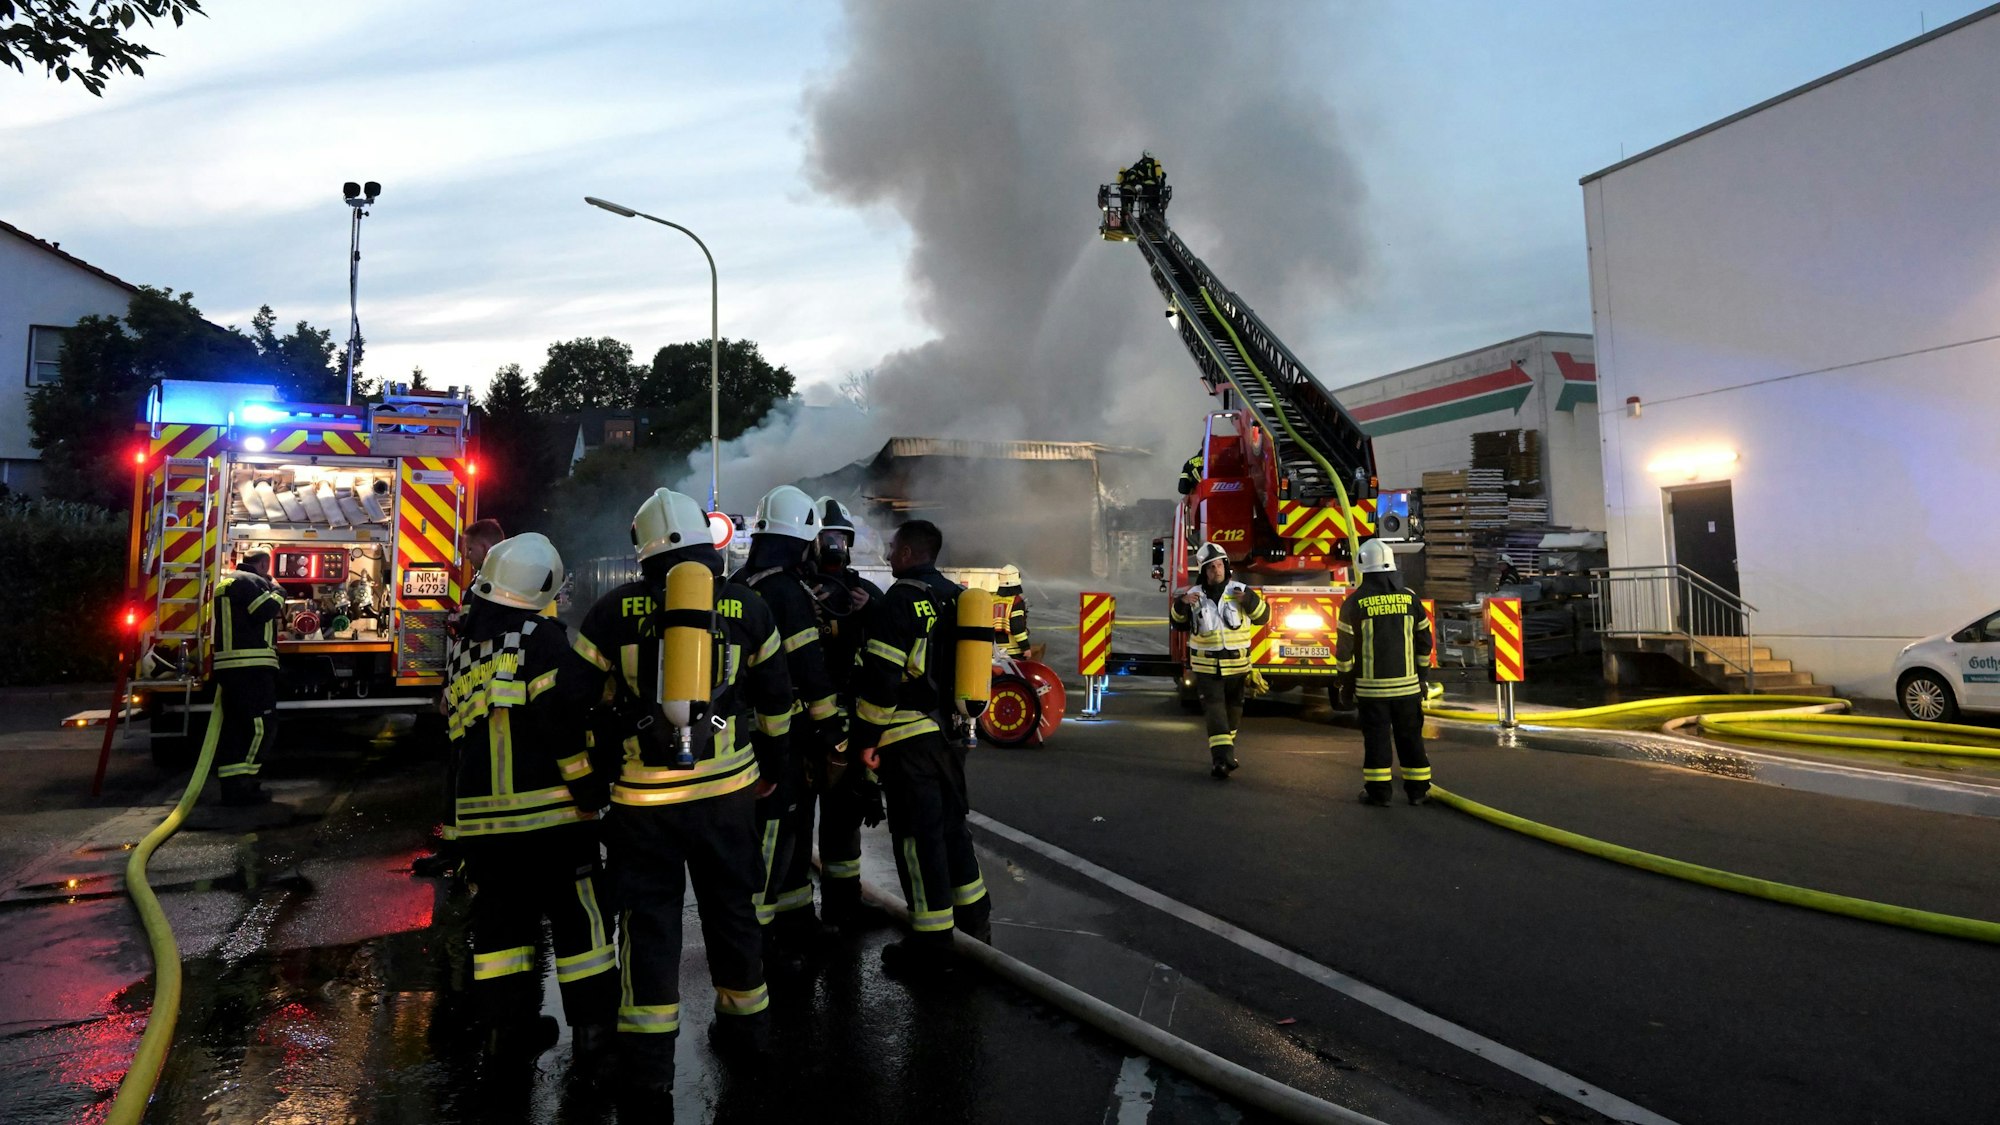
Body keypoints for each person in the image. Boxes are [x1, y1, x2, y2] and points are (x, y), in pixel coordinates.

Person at [569, 488, 794, 1110]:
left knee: (649, 926)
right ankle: (747, 1035)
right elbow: (777, 701)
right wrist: (774, 771)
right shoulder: (748, 606)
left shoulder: (611, 611)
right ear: (706, 541)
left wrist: (590, 775)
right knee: (734, 911)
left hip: (643, 801)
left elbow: (574, 701)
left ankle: (649, 1068)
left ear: (643, 549)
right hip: (728, 792)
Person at [442, 533, 616, 1065]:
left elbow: (454, 741)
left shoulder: (464, 650)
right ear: (542, 588)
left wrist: (455, 829)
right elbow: (562, 721)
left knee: (501, 930)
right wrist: (588, 788)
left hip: (484, 827)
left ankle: (506, 1035)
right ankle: (594, 1037)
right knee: (580, 922)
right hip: (553, 817)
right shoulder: (543, 639)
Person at [853, 520, 992, 978]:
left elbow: (882, 680)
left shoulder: (899, 601)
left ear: (910, 552)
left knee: (917, 839)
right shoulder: (954, 597)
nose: (889, 554)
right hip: (951, 736)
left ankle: (930, 945)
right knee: (952, 830)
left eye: (893, 547)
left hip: (907, 740)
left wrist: (867, 741)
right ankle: (975, 925)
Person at [736, 485, 845, 971]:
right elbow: (808, 667)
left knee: (793, 829)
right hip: (784, 733)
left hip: (741, 732)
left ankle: (797, 919)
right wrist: (831, 731)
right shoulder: (786, 591)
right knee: (775, 834)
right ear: (802, 541)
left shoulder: (739, 582)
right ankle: (759, 944)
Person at [413, 516, 511, 878]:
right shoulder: (493, 581)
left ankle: (458, 853)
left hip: (476, 694)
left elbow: (470, 639)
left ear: (484, 547)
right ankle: (457, 850)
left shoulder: (490, 584)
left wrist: (450, 685)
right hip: (474, 691)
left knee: (464, 771)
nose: (466, 556)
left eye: (469, 549)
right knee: (461, 770)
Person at [810, 497, 886, 931]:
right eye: (826, 537)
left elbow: (890, 643)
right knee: (795, 820)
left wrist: (869, 611)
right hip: (802, 725)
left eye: (840, 538)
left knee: (843, 818)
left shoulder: (864, 593)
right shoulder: (792, 590)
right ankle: (793, 915)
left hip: (848, 723)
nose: (834, 546)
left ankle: (843, 906)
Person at [1336, 539, 1434, 807]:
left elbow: (1344, 653)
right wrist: (1422, 677)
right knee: (1411, 739)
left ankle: (1379, 793)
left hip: (1372, 691)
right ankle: (1418, 791)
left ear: (1362, 566)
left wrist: (1346, 685)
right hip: (1408, 689)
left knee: (1377, 741)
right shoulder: (1410, 599)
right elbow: (1424, 643)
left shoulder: (1354, 603)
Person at [1169, 543, 1269, 779]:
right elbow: (1177, 624)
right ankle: (1222, 761)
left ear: (1225, 566)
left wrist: (1249, 601)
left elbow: (1263, 617)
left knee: (1233, 713)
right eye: (1211, 567)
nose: (1216, 570)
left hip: (1238, 667)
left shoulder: (1241, 590)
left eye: (1219, 565)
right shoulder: (1194, 595)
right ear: (1204, 571)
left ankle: (1225, 754)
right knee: (1215, 712)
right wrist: (1181, 604)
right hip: (1207, 667)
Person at [210, 549, 284, 805]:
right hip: (251, 665)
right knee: (261, 725)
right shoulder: (250, 581)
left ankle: (233, 787)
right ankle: (245, 782)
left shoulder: (228, 581)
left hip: (232, 665)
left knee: (236, 728)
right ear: (264, 564)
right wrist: (278, 590)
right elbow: (264, 610)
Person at [994, 564, 1030, 658]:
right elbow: (1017, 627)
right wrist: (1025, 647)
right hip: (1013, 652)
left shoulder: (992, 599)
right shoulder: (1016, 601)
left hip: (994, 650)